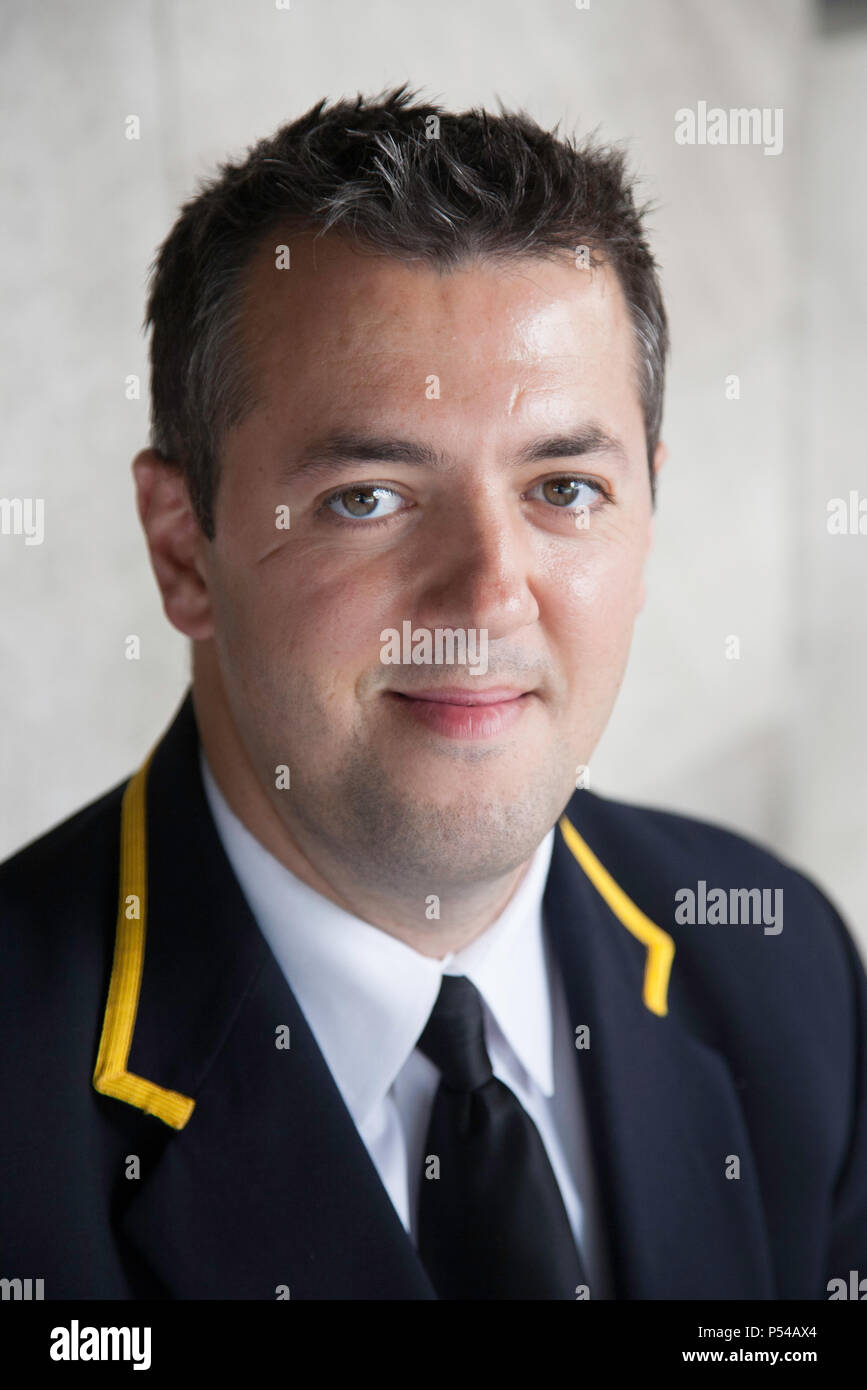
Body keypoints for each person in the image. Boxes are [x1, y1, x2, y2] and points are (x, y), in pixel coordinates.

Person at [1, 85, 865, 1302]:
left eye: (564, 486)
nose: (486, 596)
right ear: (183, 546)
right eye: (368, 496)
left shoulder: (785, 973)